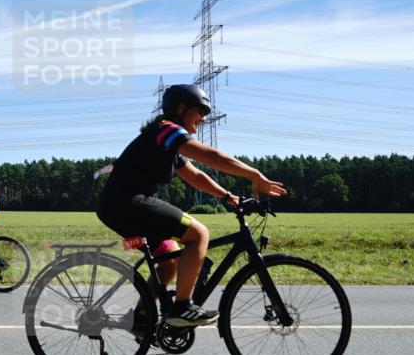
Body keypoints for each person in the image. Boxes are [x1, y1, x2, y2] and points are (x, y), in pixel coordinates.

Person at [97, 83, 286, 327]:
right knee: (198, 234)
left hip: (119, 206)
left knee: (169, 263)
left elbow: (195, 175)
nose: (204, 120)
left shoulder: (166, 143)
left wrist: (227, 197)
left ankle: (141, 320)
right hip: (127, 203)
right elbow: (211, 157)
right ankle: (182, 308)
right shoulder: (166, 130)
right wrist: (254, 175)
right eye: (201, 112)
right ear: (180, 108)